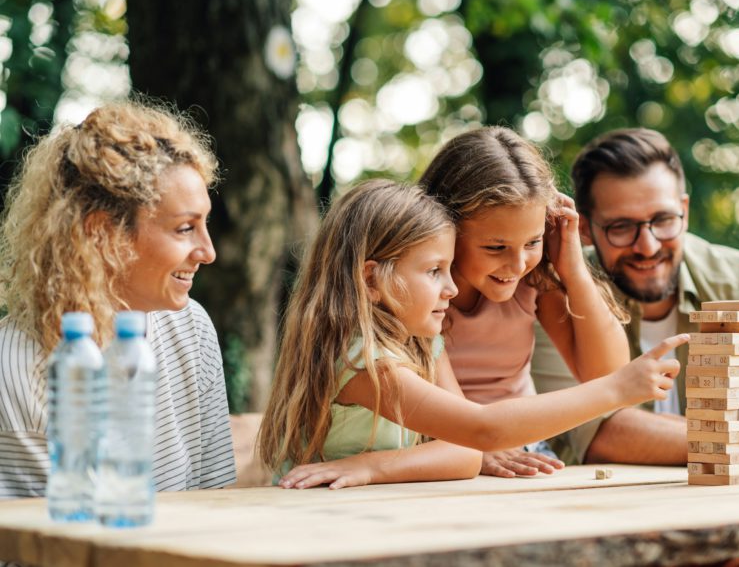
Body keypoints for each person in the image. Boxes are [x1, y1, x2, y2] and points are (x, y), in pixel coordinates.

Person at [257, 179, 688, 490]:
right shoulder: (362, 362)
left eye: (448, 269)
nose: (451, 288)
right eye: (433, 271)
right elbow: (481, 432)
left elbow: (463, 452)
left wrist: (373, 466)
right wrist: (616, 389)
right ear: (371, 280)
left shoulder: (422, 342)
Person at [532, 127, 739, 470]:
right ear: (584, 228)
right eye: (621, 227)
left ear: (684, 211)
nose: (648, 246)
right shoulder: (556, 291)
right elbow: (595, 433)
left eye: (663, 220)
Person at [0, 101, 236, 500]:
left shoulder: (190, 329)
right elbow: (54, 548)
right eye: (184, 228)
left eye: (204, 223)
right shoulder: (18, 366)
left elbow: (215, 498)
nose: (208, 251)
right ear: (103, 234)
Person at [418, 126, 631, 478]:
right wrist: (476, 451)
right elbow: (449, 419)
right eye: (496, 247)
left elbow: (608, 374)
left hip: (523, 451)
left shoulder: (534, 280)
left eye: (532, 243)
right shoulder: (418, 286)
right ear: (446, 229)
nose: (516, 265)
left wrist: (571, 266)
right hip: (438, 451)